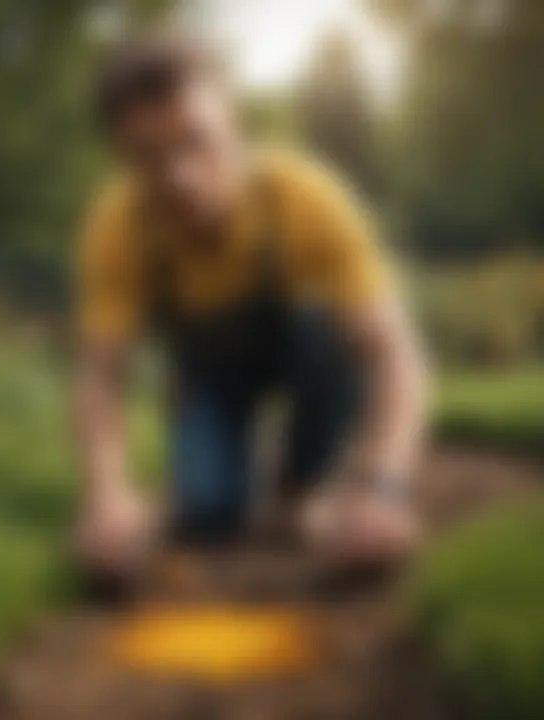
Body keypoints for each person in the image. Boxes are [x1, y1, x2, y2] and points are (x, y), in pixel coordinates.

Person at [73, 33, 427, 575]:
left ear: (232, 122)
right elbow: (102, 377)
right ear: (122, 157)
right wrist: (107, 496)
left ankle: (310, 481)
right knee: (208, 513)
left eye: (196, 142)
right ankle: (226, 478)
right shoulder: (116, 230)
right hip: (210, 380)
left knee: (326, 330)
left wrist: (387, 487)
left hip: (307, 358)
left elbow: (394, 354)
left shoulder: (305, 197)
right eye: (148, 159)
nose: (179, 178)